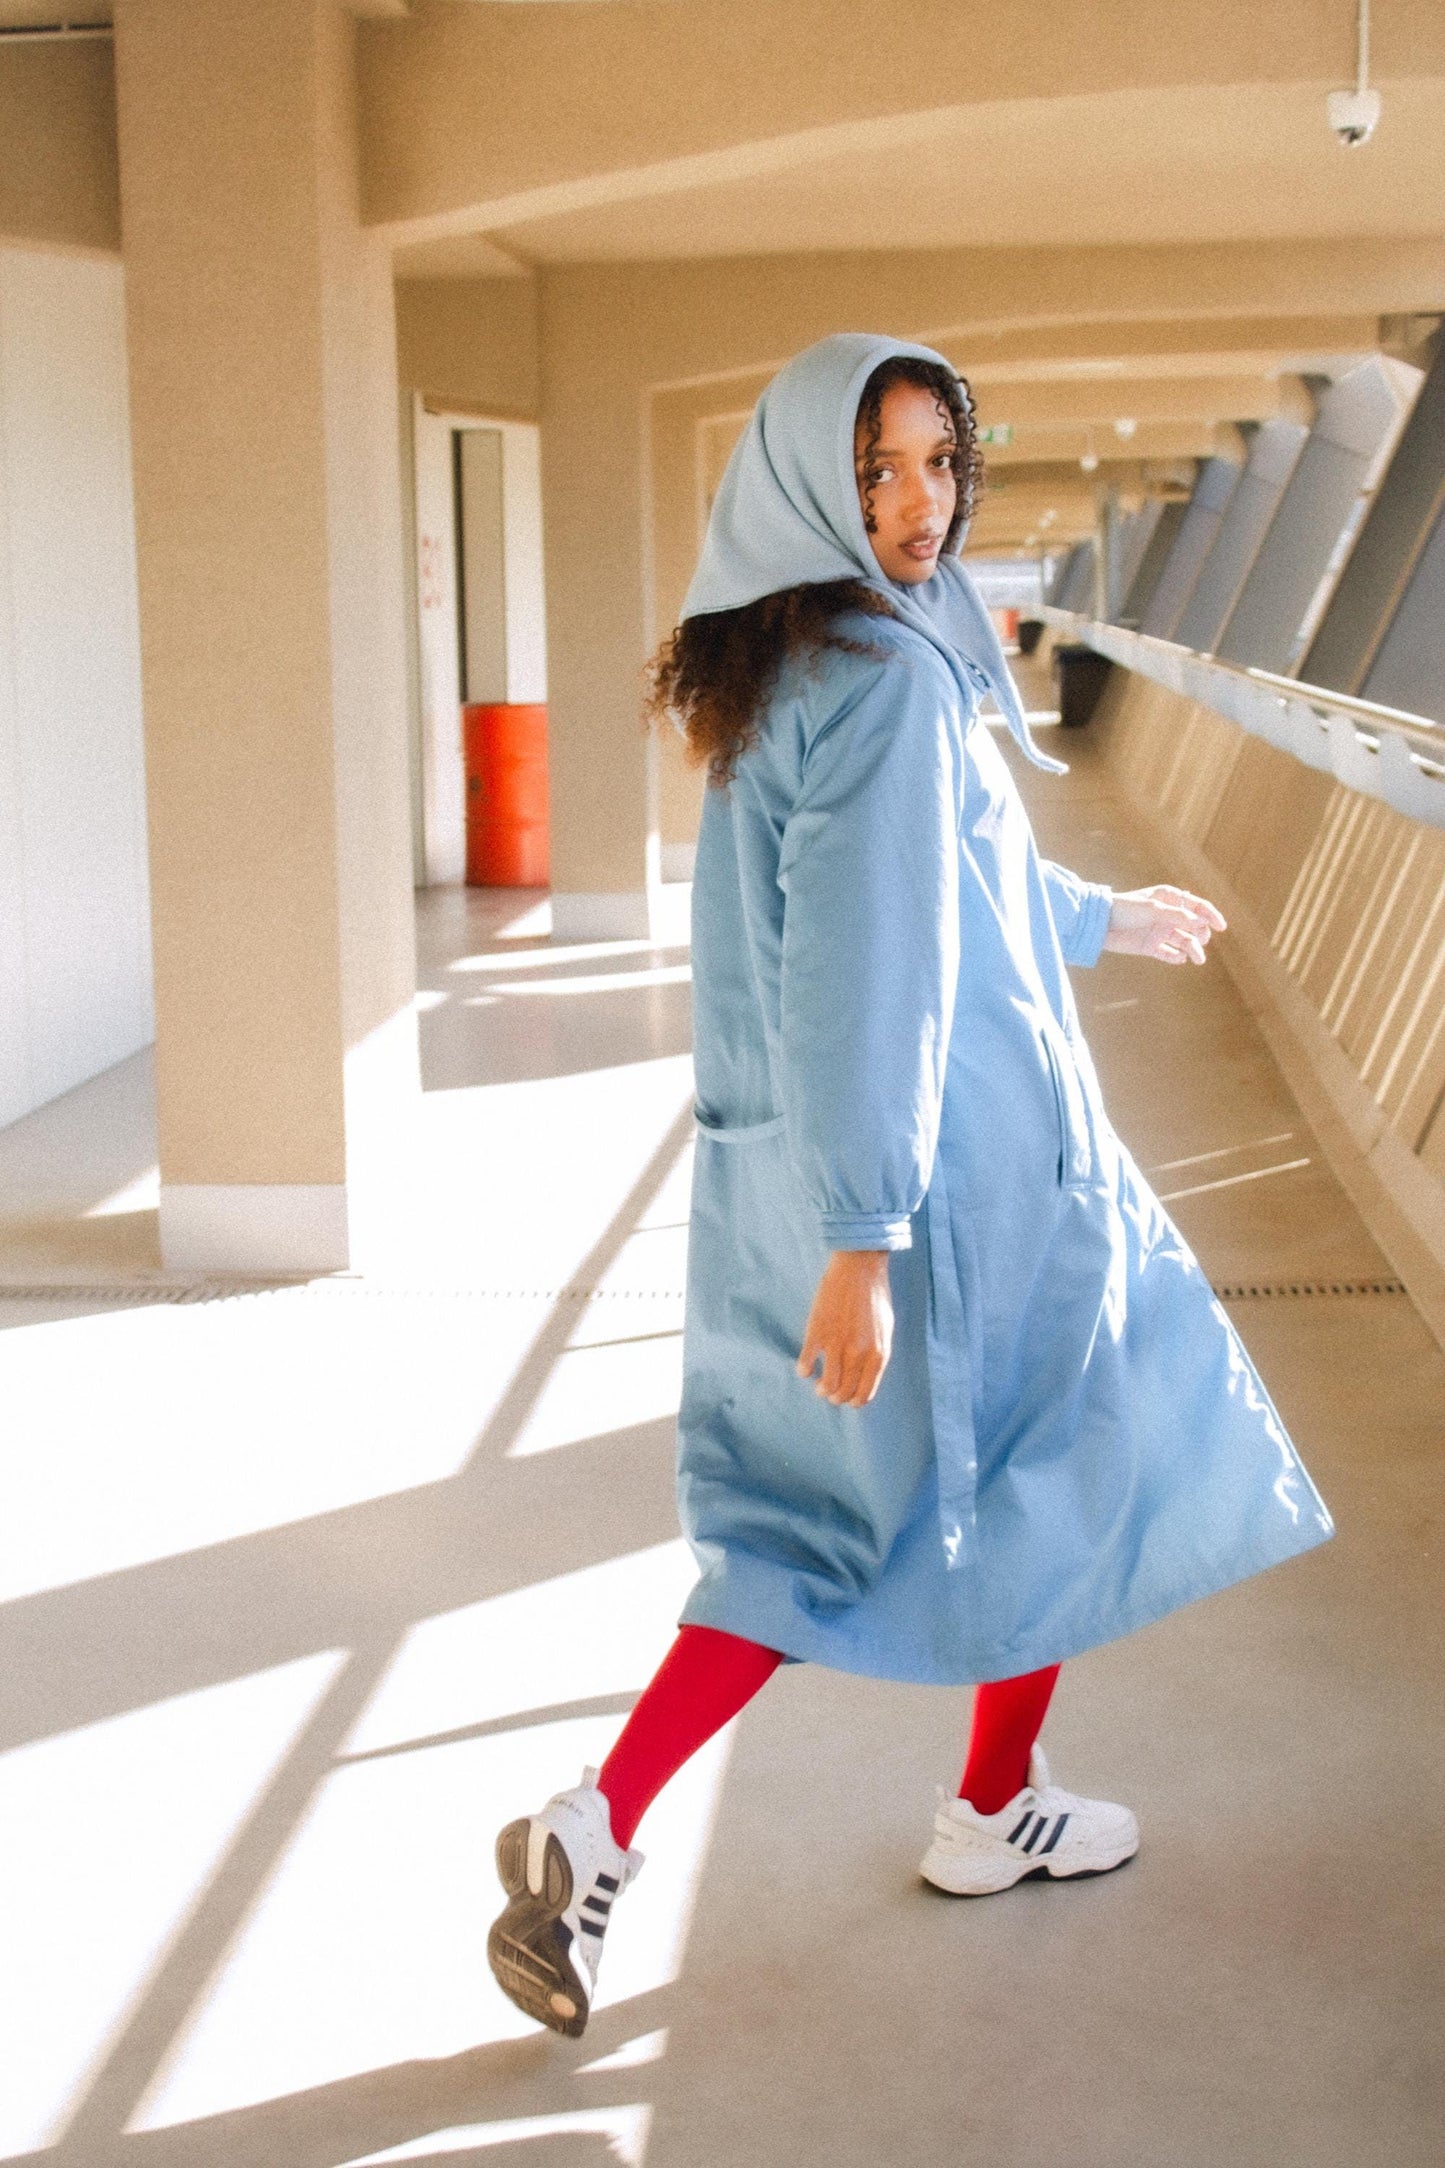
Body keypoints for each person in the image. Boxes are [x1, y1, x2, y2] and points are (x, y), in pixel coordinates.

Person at [486, 333, 1332, 2039]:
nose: (918, 503)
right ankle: (977, 1805)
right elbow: (868, 968)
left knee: (812, 1522)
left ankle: (612, 1823)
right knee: (1066, 1460)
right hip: (958, 1180)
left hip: (807, 1169)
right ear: (810, 480)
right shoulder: (878, 682)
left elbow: (942, 882)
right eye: (877, 470)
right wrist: (868, 1244)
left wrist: (1100, 920)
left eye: (941, 463)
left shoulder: (797, 663)